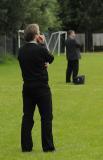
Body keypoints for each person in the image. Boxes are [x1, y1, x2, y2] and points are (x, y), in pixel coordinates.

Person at [18, 24, 55, 152]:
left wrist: (43, 63)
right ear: (36, 35)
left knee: (27, 117)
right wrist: (43, 43)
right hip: (42, 88)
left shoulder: (21, 50)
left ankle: (26, 147)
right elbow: (51, 58)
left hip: (27, 88)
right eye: (39, 32)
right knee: (46, 117)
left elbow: (33, 63)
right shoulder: (40, 49)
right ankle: (48, 147)